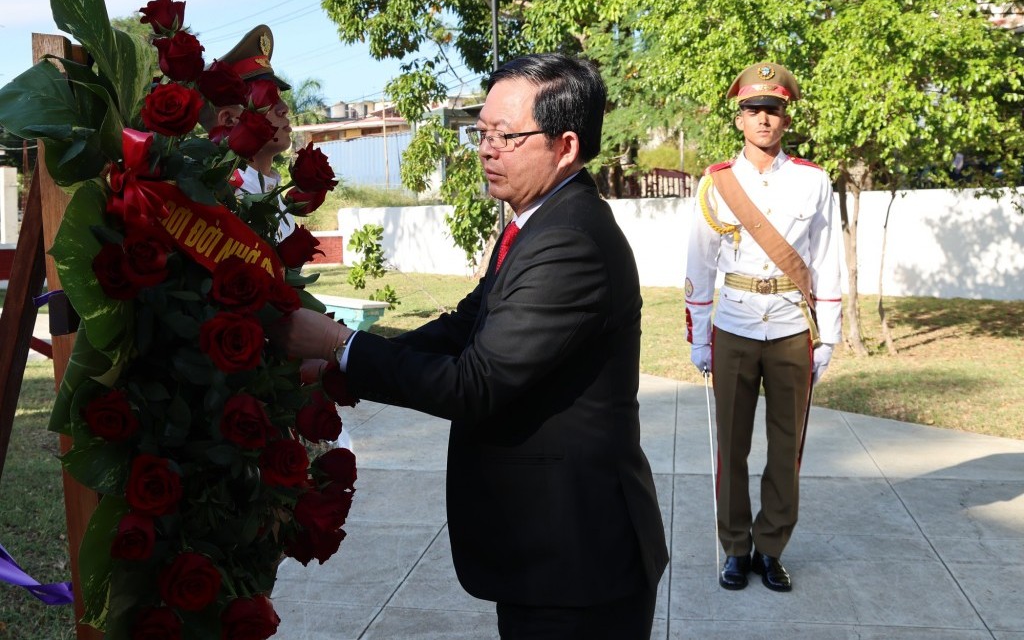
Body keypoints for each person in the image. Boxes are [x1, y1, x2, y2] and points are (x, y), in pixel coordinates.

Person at [271, 52, 668, 638]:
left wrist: (339, 342)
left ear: (565, 146)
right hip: (549, 548)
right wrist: (339, 365)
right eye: (482, 133)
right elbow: (463, 327)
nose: (486, 149)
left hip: (577, 559)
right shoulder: (538, 222)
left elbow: (473, 383)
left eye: (506, 136)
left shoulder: (570, 242)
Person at [684, 61, 842, 593]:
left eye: (772, 110)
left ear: (786, 118)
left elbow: (828, 259)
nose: (763, 120)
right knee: (732, 445)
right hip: (732, 325)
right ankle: (735, 547)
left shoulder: (813, 182)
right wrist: (698, 334)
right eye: (753, 110)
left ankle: (771, 548)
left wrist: (830, 334)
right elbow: (700, 261)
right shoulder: (717, 183)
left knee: (785, 447)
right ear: (739, 119)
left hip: (793, 328)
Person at [200, 24, 295, 241]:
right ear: (230, 120)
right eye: (267, 99)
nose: (284, 108)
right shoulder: (222, 196)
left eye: (279, 95)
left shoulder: (273, 194)